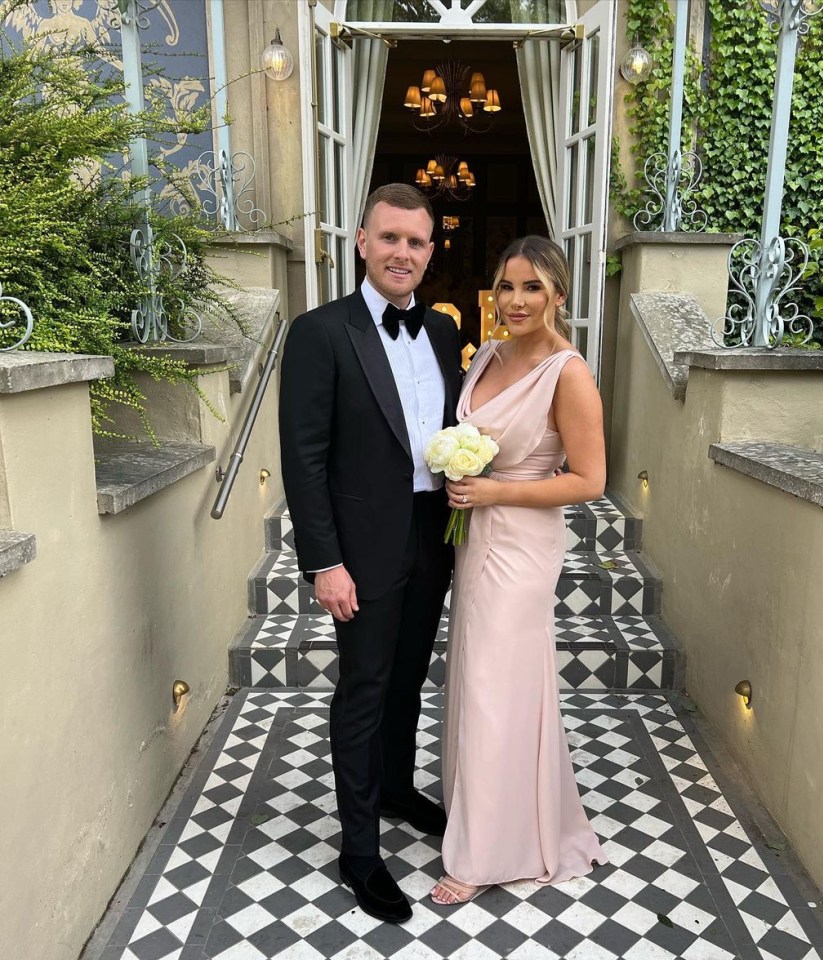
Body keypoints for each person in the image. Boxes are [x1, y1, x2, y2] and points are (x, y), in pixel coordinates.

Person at [278, 184, 462, 923]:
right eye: (390, 238)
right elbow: (305, 458)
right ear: (362, 242)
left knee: (410, 678)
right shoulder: (320, 332)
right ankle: (359, 850)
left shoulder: (446, 331)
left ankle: (394, 787)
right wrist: (325, 563)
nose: (403, 253)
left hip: (432, 536)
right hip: (360, 548)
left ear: (428, 251)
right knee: (363, 690)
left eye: (416, 242)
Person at [431, 235, 609, 905]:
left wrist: (495, 491)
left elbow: (590, 479)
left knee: (495, 685)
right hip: (474, 534)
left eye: (532, 287)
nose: (516, 300)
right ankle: (483, 815)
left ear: (559, 294)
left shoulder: (568, 372)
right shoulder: (490, 355)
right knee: (475, 675)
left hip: (521, 539)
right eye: (507, 287)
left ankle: (487, 854)